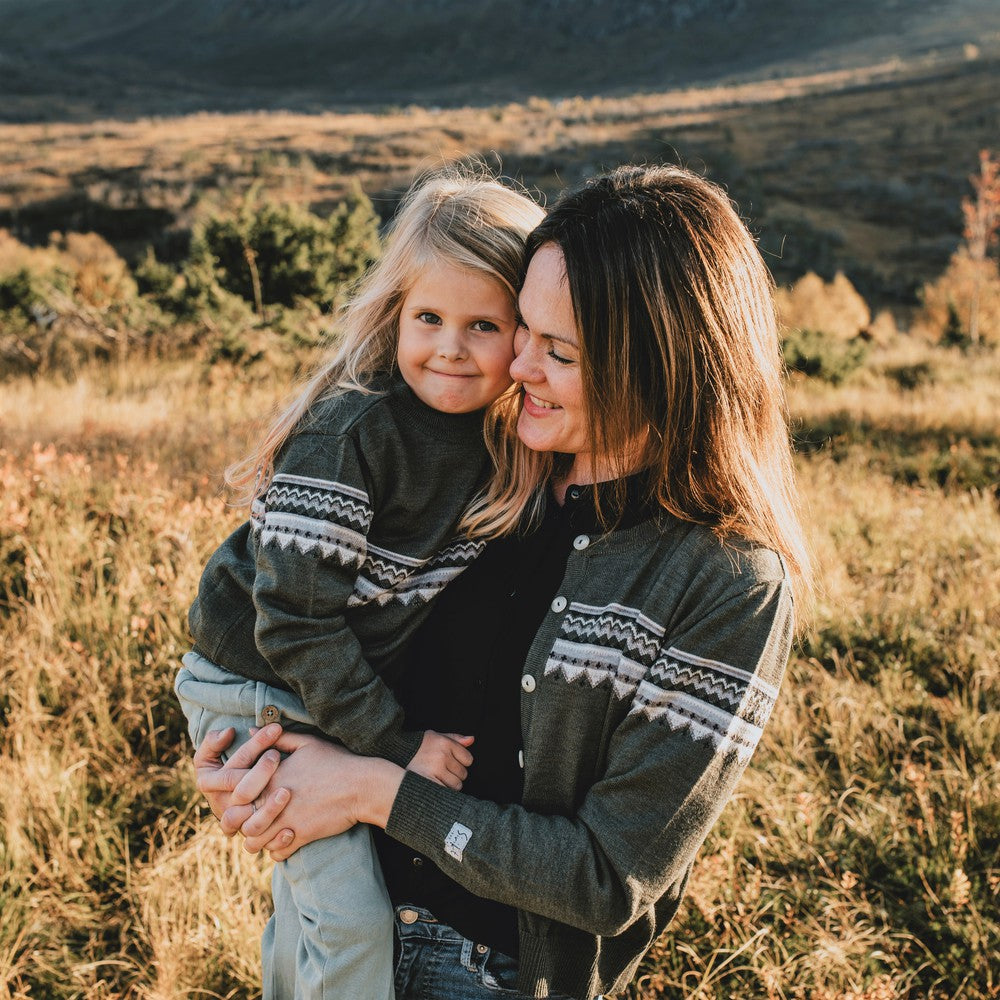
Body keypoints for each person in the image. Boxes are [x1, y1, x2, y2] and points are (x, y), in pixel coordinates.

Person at [193, 164, 812, 1000]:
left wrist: (377, 790)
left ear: (664, 368)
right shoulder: (491, 470)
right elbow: (297, 620)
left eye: (558, 350)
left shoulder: (726, 583)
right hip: (330, 932)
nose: (516, 365)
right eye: (520, 328)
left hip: (482, 974)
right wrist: (258, 761)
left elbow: (606, 878)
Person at [174, 169, 545, 1000]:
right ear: (396, 312)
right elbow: (295, 623)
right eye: (429, 319)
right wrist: (397, 745)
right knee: (348, 923)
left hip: (320, 686)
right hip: (257, 684)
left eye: (482, 324)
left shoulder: (499, 437)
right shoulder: (354, 434)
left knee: (307, 912)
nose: (450, 346)